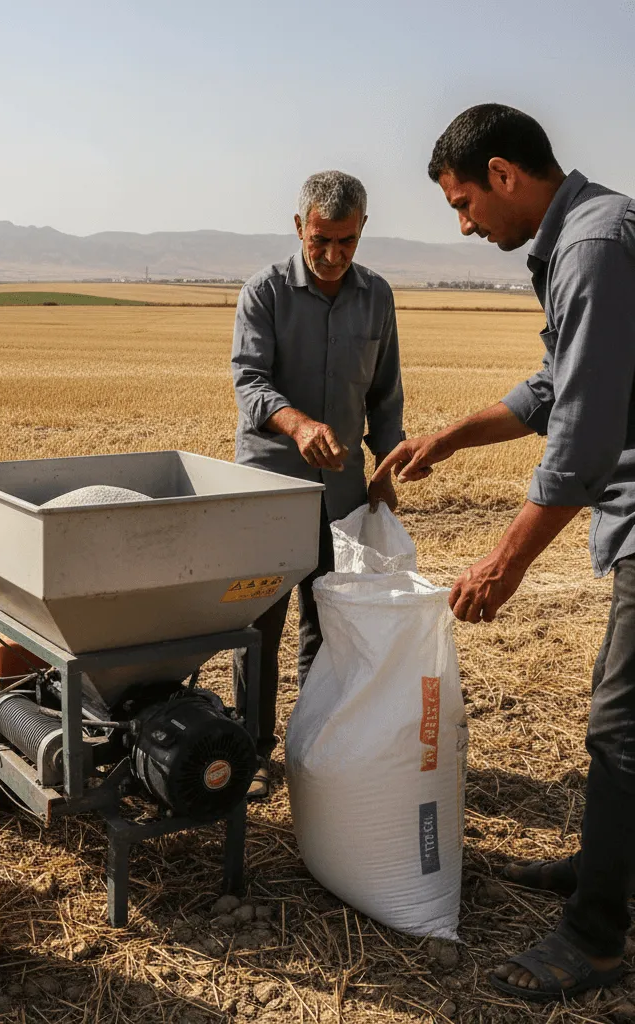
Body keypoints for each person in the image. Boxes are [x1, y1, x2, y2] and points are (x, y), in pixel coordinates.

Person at [373, 103, 635, 1002]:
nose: (464, 223)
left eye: (462, 203)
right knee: (623, 713)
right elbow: (553, 382)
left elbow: (585, 437)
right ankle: (609, 866)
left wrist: (504, 563)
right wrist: (448, 438)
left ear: (503, 174)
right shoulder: (582, 236)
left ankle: (597, 935)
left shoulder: (593, 246)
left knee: (621, 728)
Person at [231, 170, 404, 800]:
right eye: (321, 240)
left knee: (329, 626)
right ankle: (250, 752)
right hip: (272, 493)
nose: (332, 256)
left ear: (362, 232)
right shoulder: (264, 293)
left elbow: (385, 395)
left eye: (347, 243)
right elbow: (249, 383)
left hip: (344, 497)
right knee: (260, 629)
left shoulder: (376, 296)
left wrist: (386, 466)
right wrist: (298, 424)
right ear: (299, 226)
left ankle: (318, 747)